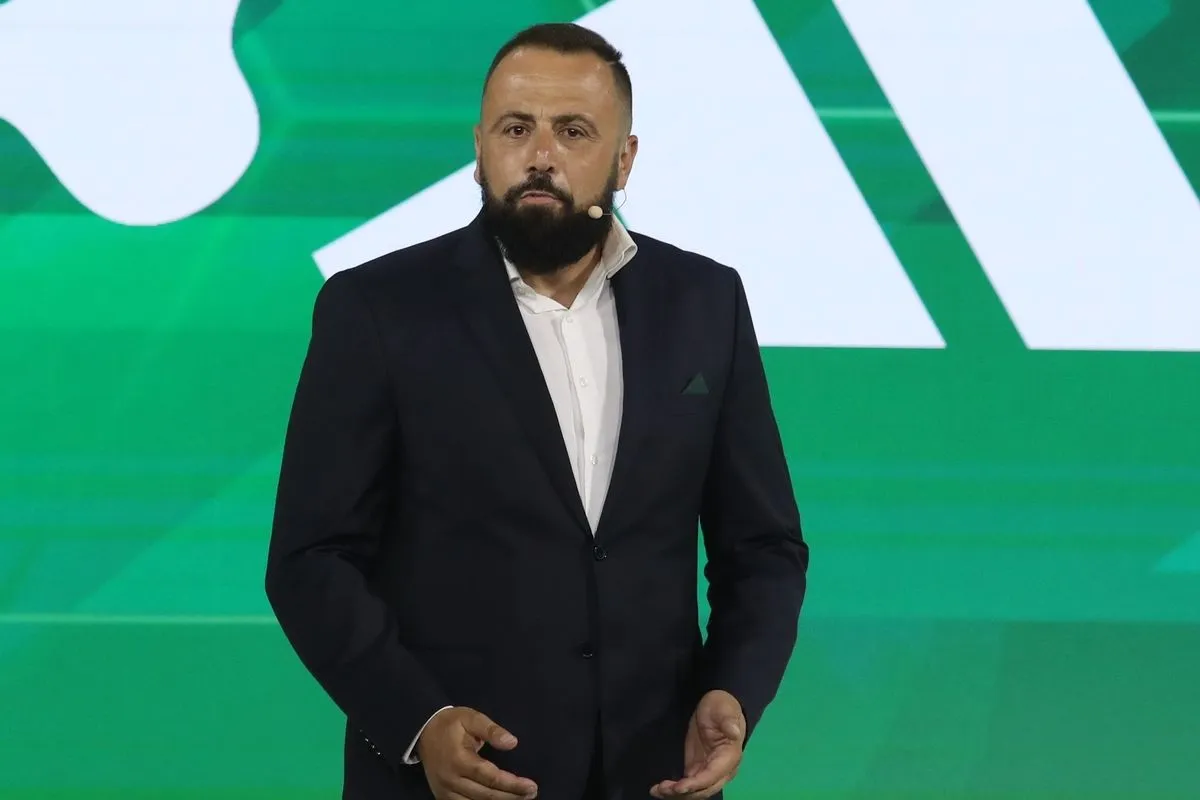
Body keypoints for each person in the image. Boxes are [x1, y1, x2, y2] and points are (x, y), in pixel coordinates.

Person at [265, 21, 808, 800]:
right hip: (454, 782)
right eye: (516, 129)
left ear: (624, 159)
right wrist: (419, 722)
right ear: (479, 148)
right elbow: (312, 559)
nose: (540, 155)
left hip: (655, 777)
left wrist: (734, 690)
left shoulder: (705, 303)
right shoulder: (377, 310)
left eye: (573, 131)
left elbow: (762, 546)